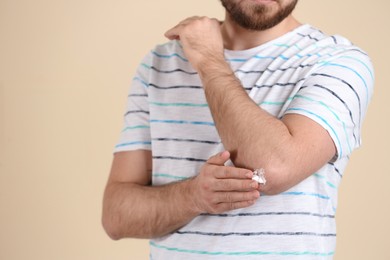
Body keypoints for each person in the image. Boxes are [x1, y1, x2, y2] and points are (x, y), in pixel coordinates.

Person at [102, 0, 374, 259]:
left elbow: (272, 169)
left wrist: (208, 61)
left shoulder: (339, 61)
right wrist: (193, 196)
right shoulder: (159, 64)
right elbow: (116, 216)